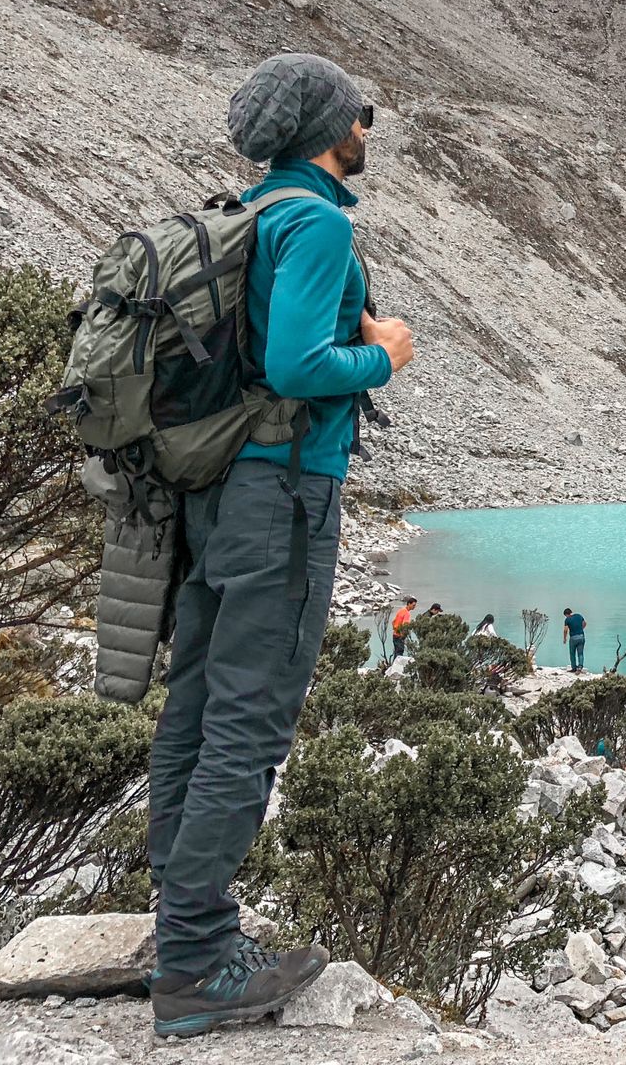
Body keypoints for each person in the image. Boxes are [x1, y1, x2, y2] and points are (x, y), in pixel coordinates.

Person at [145, 54, 415, 1039]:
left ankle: (179, 930)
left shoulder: (247, 212)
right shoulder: (317, 222)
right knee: (250, 719)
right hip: (282, 497)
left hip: (217, 492)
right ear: (327, 130)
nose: (366, 131)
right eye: (359, 116)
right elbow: (302, 365)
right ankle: (196, 964)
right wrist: (380, 356)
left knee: (200, 699)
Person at [562, 606, 586, 672]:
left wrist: (564, 638)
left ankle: (574, 668)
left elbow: (565, 630)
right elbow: (584, 623)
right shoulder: (579, 615)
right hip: (581, 636)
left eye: (565, 616)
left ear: (566, 614)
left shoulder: (567, 619)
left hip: (573, 638)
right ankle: (580, 666)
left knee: (572, 653)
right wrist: (580, 629)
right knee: (580, 653)